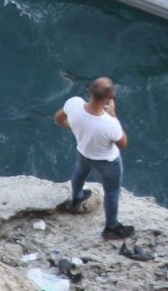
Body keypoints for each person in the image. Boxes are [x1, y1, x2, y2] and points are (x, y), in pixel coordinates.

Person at [53, 76, 134, 241]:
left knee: (80, 172)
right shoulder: (109, 123)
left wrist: (77, 128)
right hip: (108, 162)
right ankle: (111, 227)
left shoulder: (74, 103)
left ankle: (76, 200)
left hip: (84, 152)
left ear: (89, 91)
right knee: (111, 192)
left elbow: (59, 119)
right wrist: (112, 114)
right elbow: (123, 143)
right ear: (109, 98)